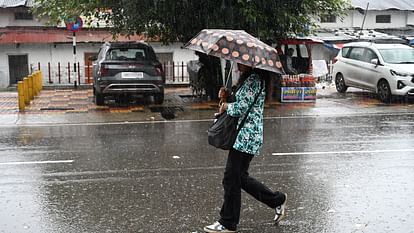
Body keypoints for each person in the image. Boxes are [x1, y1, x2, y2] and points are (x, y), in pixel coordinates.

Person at [204, 63, 287, 233]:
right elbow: (241, 101)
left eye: (241, 62)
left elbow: (240, 108)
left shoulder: (255, 80)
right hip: (244, 135)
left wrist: (226, 106)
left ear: (251, 63)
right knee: (239, 177)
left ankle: (228, 222)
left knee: (231, 178)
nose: (238, 64)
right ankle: (276, 200)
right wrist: (226, 96)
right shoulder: (249, 79)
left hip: (246, 136)